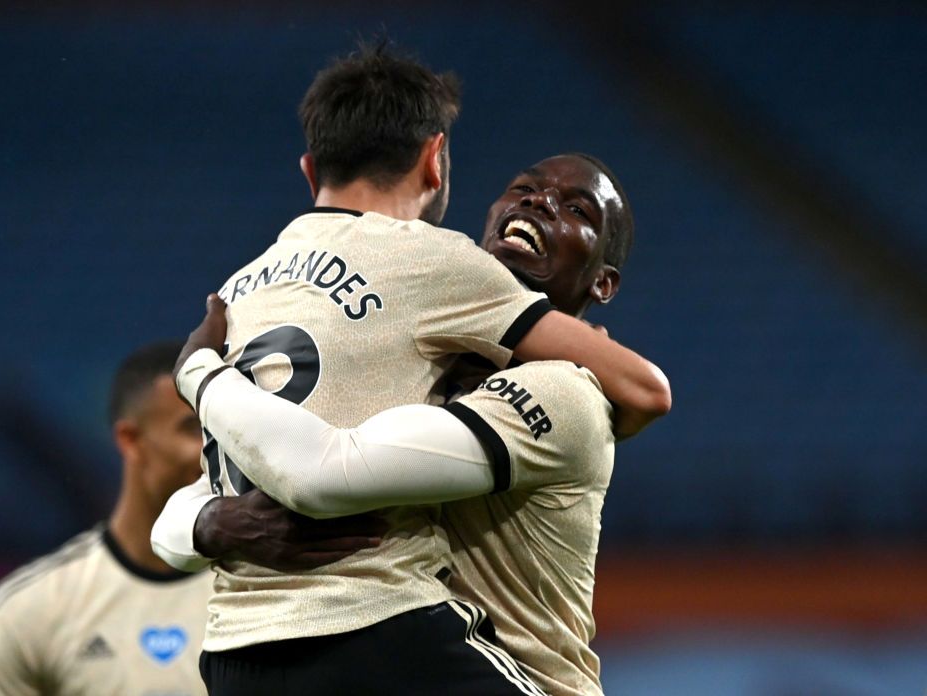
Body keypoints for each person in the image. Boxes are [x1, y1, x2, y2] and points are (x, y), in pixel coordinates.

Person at [155, 42, 669, 694]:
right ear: (436, 161)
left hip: (487, 668)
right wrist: (208, 521)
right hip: (387, 645)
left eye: (577, 210)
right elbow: (213, 493)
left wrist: (200, 372)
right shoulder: (408, 332)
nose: (541, 204)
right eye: (525, 190)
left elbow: (322, 470)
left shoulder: (561, 388)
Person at [0, 342, 361, 696]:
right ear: (130, 440)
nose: (213, 450)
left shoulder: (273, 592)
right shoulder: (29, 609)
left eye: (221, 430)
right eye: (193, 430)